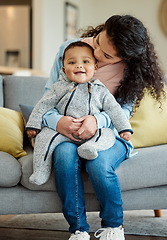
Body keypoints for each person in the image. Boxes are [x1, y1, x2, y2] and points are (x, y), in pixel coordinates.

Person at [27, 15, 165, 240]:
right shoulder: (70, 50)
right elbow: (47, 99)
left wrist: (97, 120)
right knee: (63, 155)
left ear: (125, 58)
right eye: (98, 41)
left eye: (107, 56)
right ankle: (78, 229)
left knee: (99, 163)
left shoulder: (131, 70)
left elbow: (123, 113)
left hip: (108, 134)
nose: (97, 54)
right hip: (66, 132)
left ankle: (113, 227)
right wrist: (57, 122)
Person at [26, 41, 133, 186]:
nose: (79, 65)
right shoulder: (58, 88)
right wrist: (33, 125)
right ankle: (40, 171)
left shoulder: (100, 90)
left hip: (93, 134)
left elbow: (115, 110)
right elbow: (43, 105)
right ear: (63, 69)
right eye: (72, 62)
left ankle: (91, 148)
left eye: (85, 61)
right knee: (44, 137)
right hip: (64, 134)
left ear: (95, 67)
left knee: (107, 134)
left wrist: (124, 128)